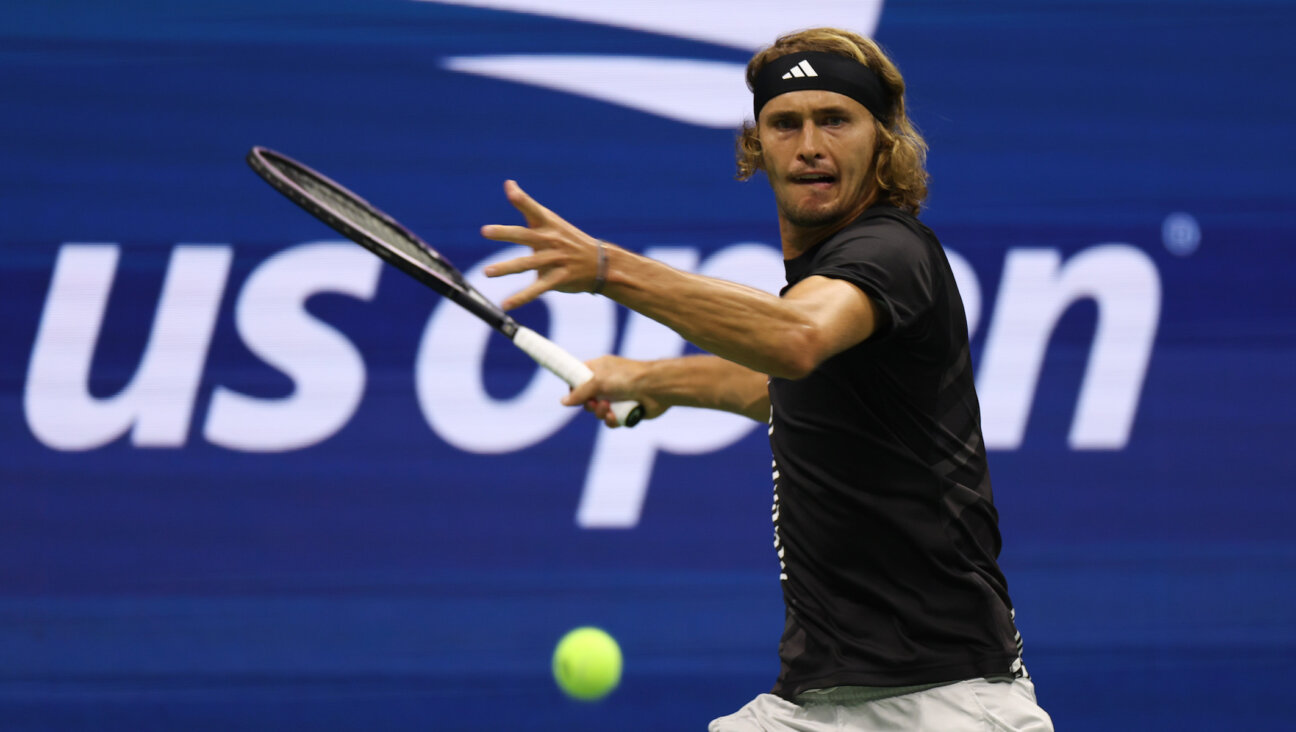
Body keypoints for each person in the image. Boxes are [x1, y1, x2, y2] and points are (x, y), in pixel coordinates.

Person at [481, 27, 1053, 732]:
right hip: (817, 703)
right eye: (786, 123)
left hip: (946, 703)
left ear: (884, 141)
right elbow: (783, 389)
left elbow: (796, 340)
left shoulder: (890, 251)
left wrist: (608, 269)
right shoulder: (830, 279)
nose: (810, 144)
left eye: (835, 119)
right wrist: (654, 379)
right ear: (758, 146)